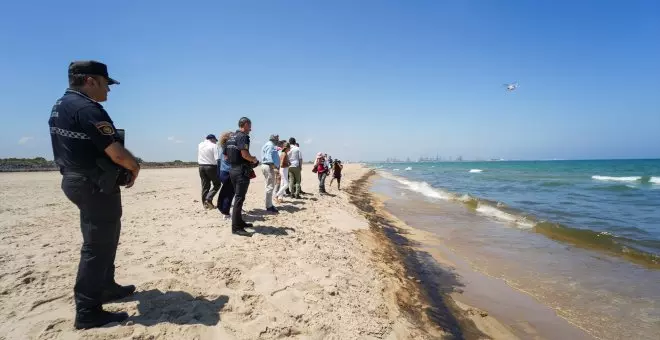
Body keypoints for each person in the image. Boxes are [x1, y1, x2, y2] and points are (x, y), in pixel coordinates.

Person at [49, 61, 139, 329]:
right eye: (105, 84)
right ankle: (88, 310)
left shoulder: (61, 105)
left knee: (106, 237)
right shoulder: (87, 108)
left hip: (81, 181)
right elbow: (117, 153)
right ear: (90, 80)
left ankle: (106, 287)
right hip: (92, 183)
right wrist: (134, 167)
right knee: (97, 245)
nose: (108, 91)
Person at [225, 117, 259, 236]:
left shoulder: (230, 137)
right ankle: (236, 228)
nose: (251, 128)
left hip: (232, 170)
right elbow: (245, 154)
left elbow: (225, 156)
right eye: (249, 125)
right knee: (239, 199)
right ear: (245, 125)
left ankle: (239, 222)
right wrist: (253, 160)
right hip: (241, 171)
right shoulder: (243, 136)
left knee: (239, 197)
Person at [198, 134, 220, 209]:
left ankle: (205, 205)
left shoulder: (200, 145)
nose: (215, 142)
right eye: (215, 140)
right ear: (212, 139)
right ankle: (208, 198)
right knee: (217, 184)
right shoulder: (214, 146)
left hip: (201, 167)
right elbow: (217, 159)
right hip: (211, 167)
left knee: (205, 186)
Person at [260, 135, 280, 213]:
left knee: (268, 185)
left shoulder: (266, 144)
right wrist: (274, 168)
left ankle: (268, 203)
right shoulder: (271, 145)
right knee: (270, 186)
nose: (278, 141)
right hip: (269, 166)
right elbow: (269, 157)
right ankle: (269, 206)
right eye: (277, 140)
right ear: (274, 140)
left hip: (265, 166)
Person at [216, 132, 234, 219]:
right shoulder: (229, 147)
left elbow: (219, 162)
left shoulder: (222, 147)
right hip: (228, 172)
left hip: (222, 172)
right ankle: (226, 213)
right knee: (229, 193)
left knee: (225, 192)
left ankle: (222, 208)